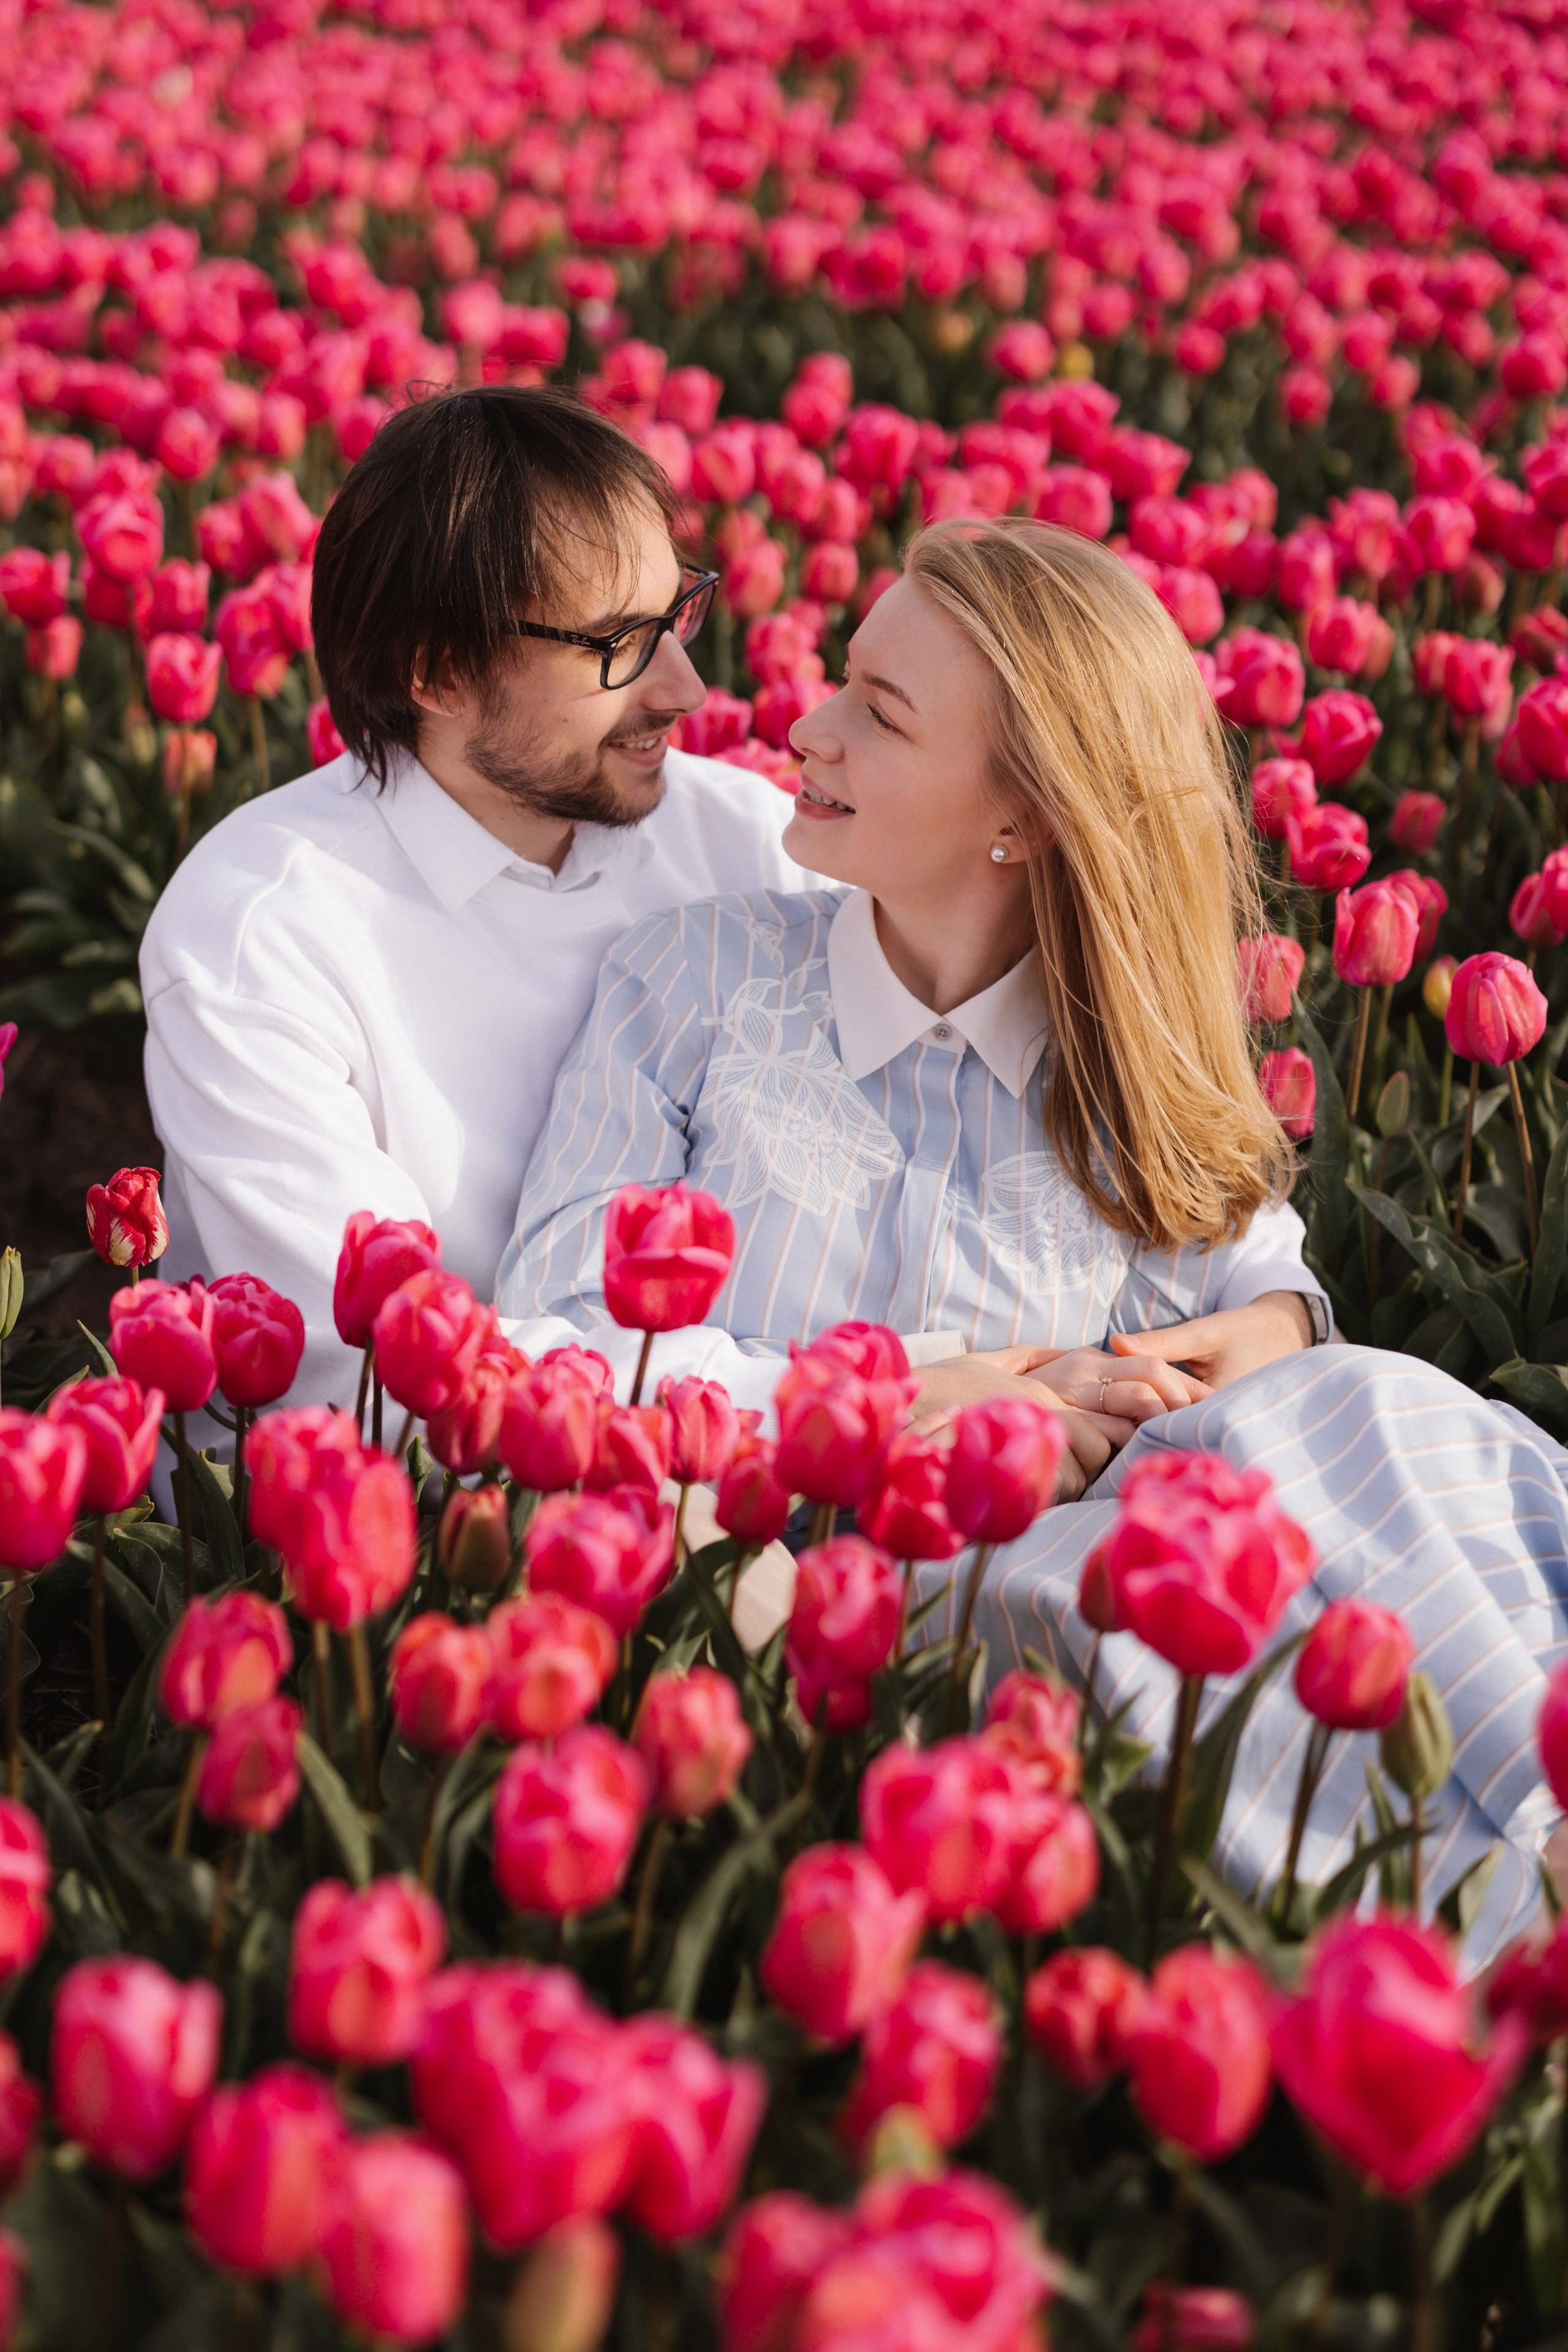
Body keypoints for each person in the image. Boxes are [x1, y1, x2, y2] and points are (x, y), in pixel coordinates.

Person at [498, 518, 1568, 1963]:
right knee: (1115, 1575)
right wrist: (890, 1410)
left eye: (876, 714)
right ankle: (1495, 1946)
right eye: (843, 680)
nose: (802, 728)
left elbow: (1259, 1276)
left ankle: (1536, 1863)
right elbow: (555, 1341)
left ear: (1026, 812)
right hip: (854, 1585)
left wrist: (1275, 1326)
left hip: (1130, 1579)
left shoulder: (1123, 1055)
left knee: (1350, 1408)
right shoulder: (692, 982)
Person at [140, 386, 805, 1414]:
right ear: (441, 673)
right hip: (396, 1530)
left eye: (679, 612)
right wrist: (835, 1402)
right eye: (621, 644)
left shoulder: (741, 843)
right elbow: (388, 1377)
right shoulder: (263, 933)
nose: (684, 688)